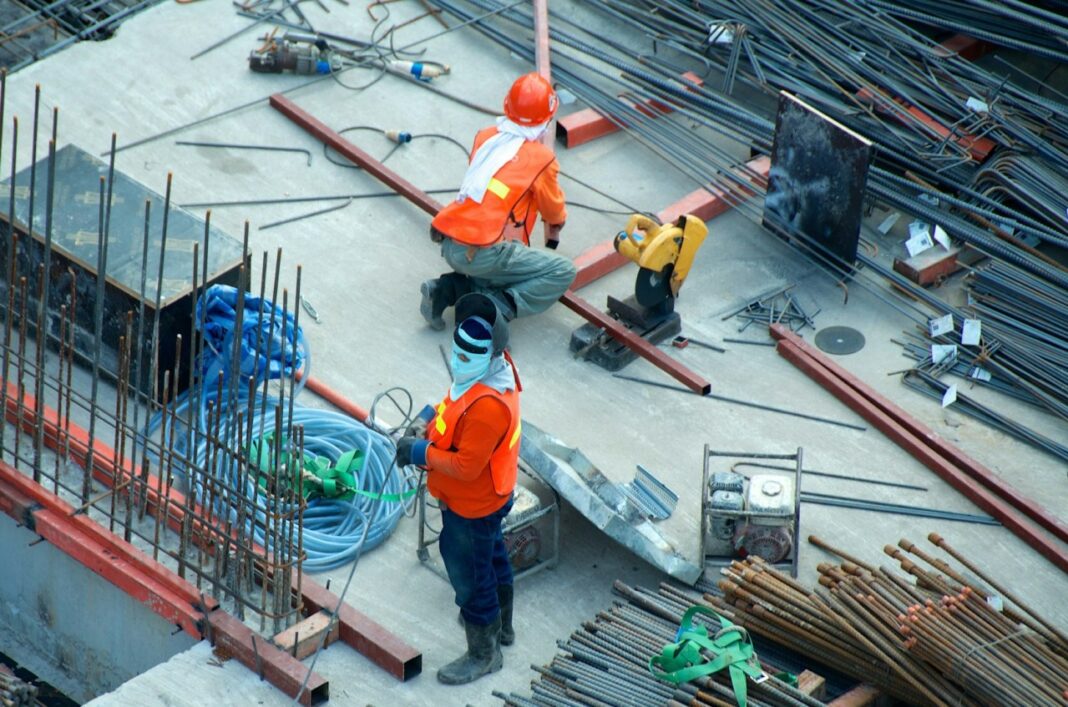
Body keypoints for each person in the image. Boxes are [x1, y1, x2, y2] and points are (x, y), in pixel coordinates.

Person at [397, 293, 521, 685]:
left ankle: (485, 654)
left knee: (471, 577)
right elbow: (453, 406)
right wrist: (427, 419)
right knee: (492, 557)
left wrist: (419, 451)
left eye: (468, 355)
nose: (459, 360)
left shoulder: (488, 407)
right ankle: (501, 627)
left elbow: (467, 467)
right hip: (490, 498)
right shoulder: (489, 374)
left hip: (473, 505)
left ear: (491, 354)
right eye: (457, 351)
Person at [420, 73, 577, 330]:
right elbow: (552, 210)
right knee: (562, 271)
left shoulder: (486, 137)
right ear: (547, 120)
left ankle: (444, 290)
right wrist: (557, 223)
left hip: (450, 239)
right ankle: (494, 307)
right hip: (484, 251)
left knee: (498, 268)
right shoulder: (541, 159)